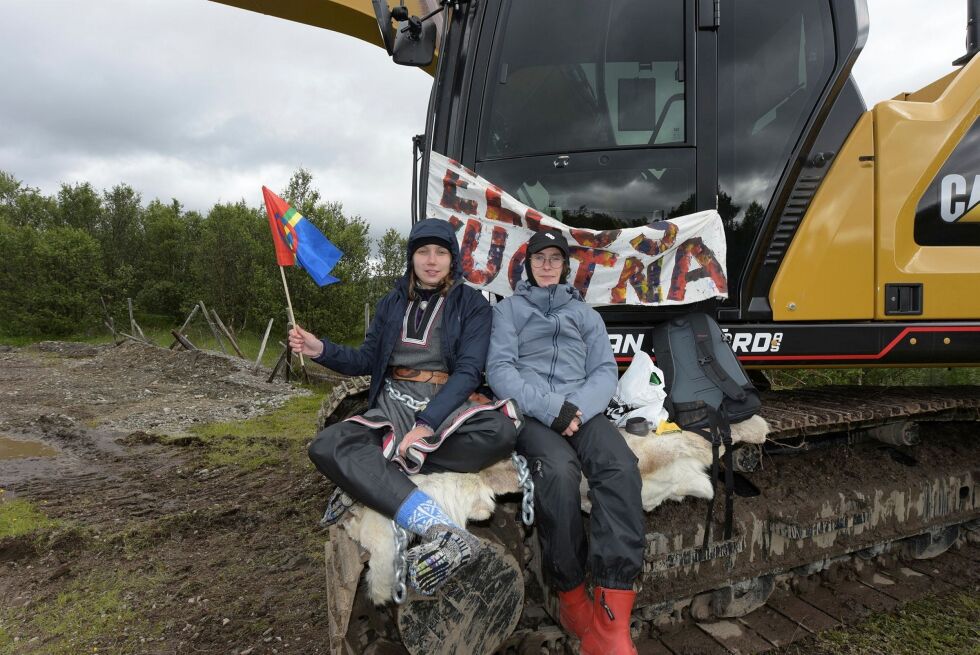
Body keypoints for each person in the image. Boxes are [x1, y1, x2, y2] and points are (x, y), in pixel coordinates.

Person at [290, 218, 520, 596]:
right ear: (411, 257)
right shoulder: (391, 302)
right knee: (326, 446)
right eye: (423, 252)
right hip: (394, 403)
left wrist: (427, 423)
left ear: (452, 258)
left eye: (441, 252)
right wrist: (321, 350)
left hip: (447, 403)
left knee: (501, 433)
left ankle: (371, 477)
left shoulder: (472, 305)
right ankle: (441, 530)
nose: (432, 261)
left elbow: (468, 371)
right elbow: (367, 358)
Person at [487, 229, 643, 654]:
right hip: (536, 413)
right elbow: (500, 370)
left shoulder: (586, 315)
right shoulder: (509, 312)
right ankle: (571, 592)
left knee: (621, 467)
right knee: (557, 472)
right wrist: (551, 408)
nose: (547, 264)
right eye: (540, 258)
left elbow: (605, 372)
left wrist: (575, 409)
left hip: (584, 411)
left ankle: (612, 615)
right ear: (528, 263)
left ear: (565, 266)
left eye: (555, 258)